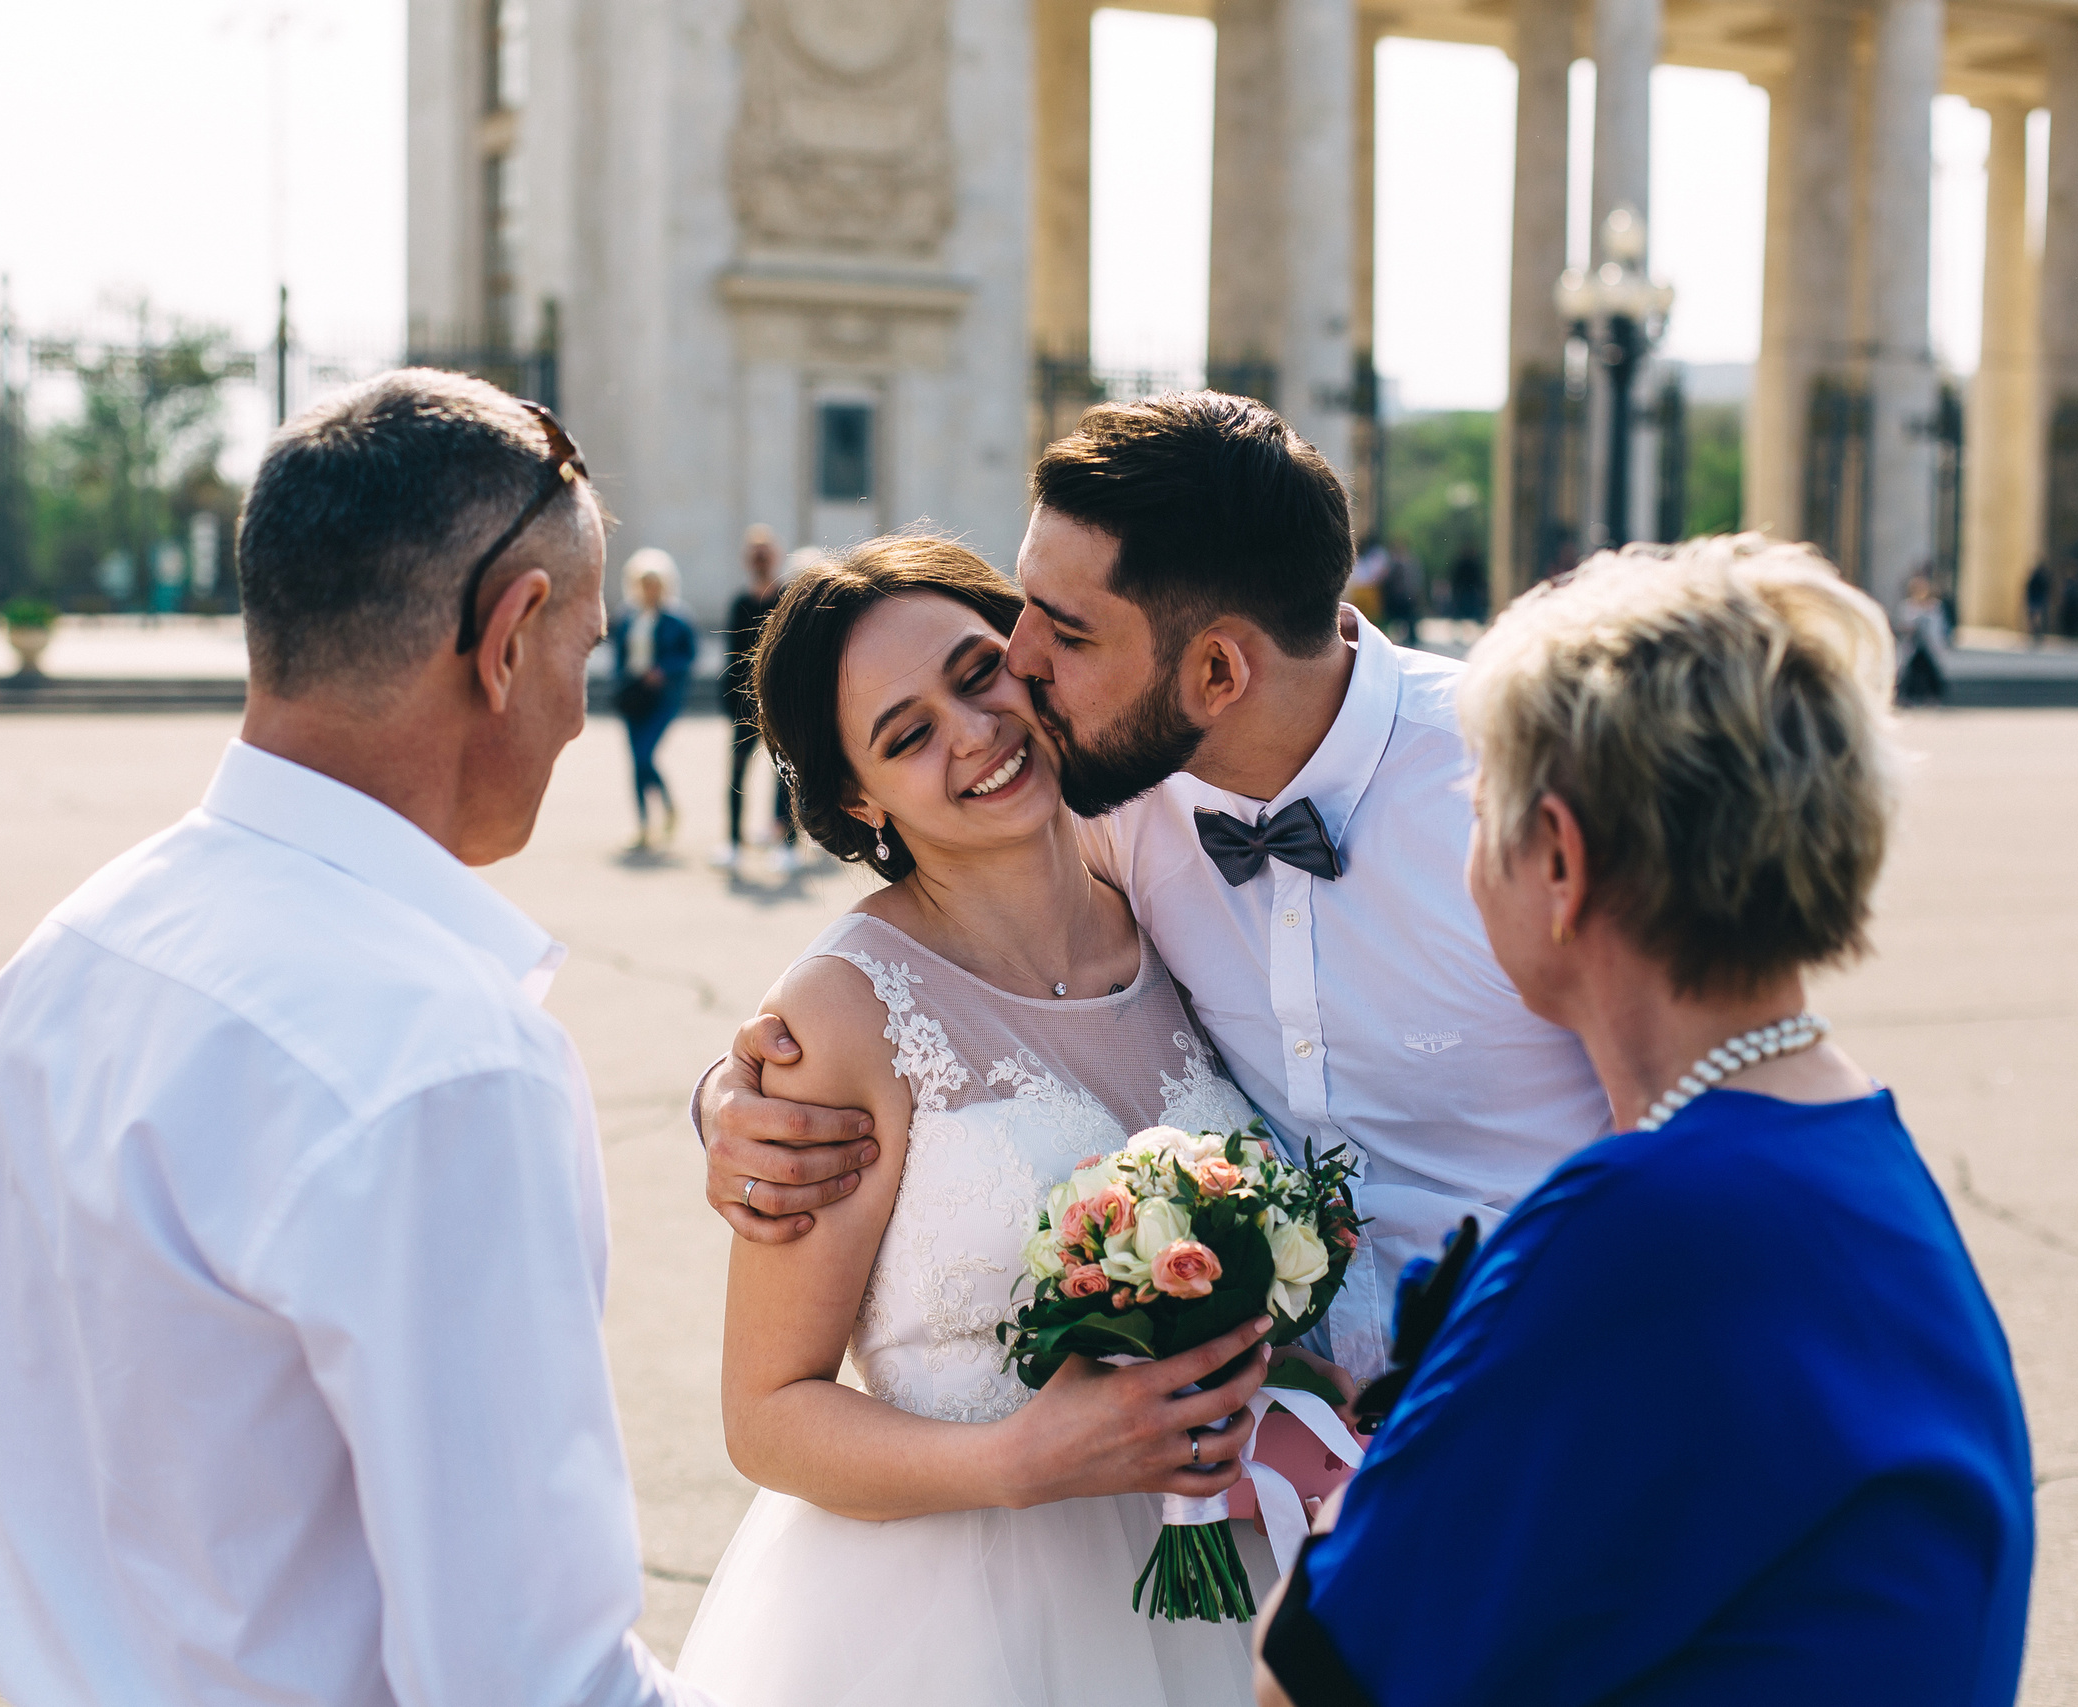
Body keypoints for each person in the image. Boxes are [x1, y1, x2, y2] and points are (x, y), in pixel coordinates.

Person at [0, 371, 715, 1705]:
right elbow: (530, 1675)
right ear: (508, 635)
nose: (583, 713)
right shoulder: (444, 1063)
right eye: (584, 650)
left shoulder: (54, 964)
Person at [1254, 536, 2035, 1707]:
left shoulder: (1645, 1220)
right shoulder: (1849, 1142)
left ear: (1558, 860)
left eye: (1479, 811)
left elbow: (1310, 1679)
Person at [697, 392, 1610, 1389]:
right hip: (1287, 1478)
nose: (1018, 662)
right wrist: (742, 1103)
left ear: (1215, 672)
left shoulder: (1533, 790)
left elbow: (1716, 1110)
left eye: (1063, 629)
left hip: (1546, 1411)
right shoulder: (1113, 780)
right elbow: (948, 958)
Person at [672, 533, 1279, 1707]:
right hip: (960, 1616)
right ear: (859, 796)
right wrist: (1015, 1461)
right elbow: (764, 1414)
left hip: (1223, 1573)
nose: (972, 733)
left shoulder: (1171, 898)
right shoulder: (837, 1018)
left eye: (977, 672)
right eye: (906, 736)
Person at [715, 525, 800, 872]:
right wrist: (729, 703)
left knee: (786, 775)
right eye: (755, 552)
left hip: (780, 703)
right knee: (736, 774)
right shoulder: (739, 602)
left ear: (776, 555)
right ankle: (734, 842)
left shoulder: (788, 597)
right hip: (743, 706)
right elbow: (730, 657)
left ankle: (786, 842)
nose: (760, 557)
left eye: (765, 550)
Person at [614, 546, 697, 849]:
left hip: (662, 698)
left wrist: (663, 670)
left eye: (655, 584)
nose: (650, 590)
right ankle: (644, 825)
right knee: (635, 761)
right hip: (633, 696)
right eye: (645, 583)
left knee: (645, 755)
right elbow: (619, 656)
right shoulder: (627, 616)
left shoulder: (677, 618)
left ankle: (667, 806)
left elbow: (688, 655)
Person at [1895, 569, 1950, 705]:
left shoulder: (1934, 606)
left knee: (1930, 670)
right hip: (1914, 644)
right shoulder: (1908, 606)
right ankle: (1906, 696)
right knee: (1910, 671)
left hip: (1928, 644)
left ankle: (1932, 696)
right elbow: (1902, 625)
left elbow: (1939, 627)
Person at [2023, 558, 2052, 643]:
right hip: (2039, 600)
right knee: (2037, 618)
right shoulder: (2043, 577)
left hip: (2036, 600)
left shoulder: (2035, 577)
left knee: (2034, 618)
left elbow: (2028, 589)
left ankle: (2036, 632)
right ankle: (2037, 633)